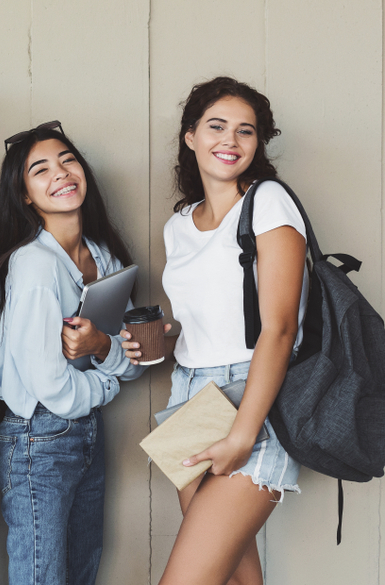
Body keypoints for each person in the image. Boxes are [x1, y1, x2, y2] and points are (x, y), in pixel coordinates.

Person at [136, 77, 307, 585]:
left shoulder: (268, 201)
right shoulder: (179, 225)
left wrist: (243, 434)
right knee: (235, 580)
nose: (230, 140)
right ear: (190, 136)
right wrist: (159, 338)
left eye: (245, 131)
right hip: (191, 400)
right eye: (216, 126)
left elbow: (280, 328)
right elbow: (204, 323)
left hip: (253, 398)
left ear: (257, 143)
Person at [0, 121, 146, 585]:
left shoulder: (104, 257)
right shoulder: (34, 264)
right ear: (25, 196)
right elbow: (53, 387)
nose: (60, 173)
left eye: (68, 160)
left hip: (87, 433)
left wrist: (101, 346)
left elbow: (133, 362)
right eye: (40, 169)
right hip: (37, 438)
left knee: (81, 574)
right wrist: (108, 378)